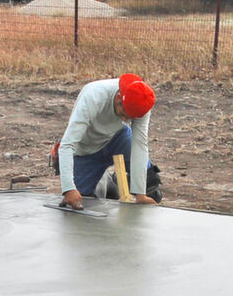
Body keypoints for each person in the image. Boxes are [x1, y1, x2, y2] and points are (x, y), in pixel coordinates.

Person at [55, 73, 160, 207]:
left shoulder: (142, 101)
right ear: (118, 98)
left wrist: (141, 194)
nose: (125, 120)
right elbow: (67, 144)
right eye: (123, 114)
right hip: (86, 150)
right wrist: (69, 188)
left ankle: (117, 182)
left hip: (117, 138)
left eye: (130, 118)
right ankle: (109, 182)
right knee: (81, 203)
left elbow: (139, 144)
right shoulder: (93, 97)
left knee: (149, 182)